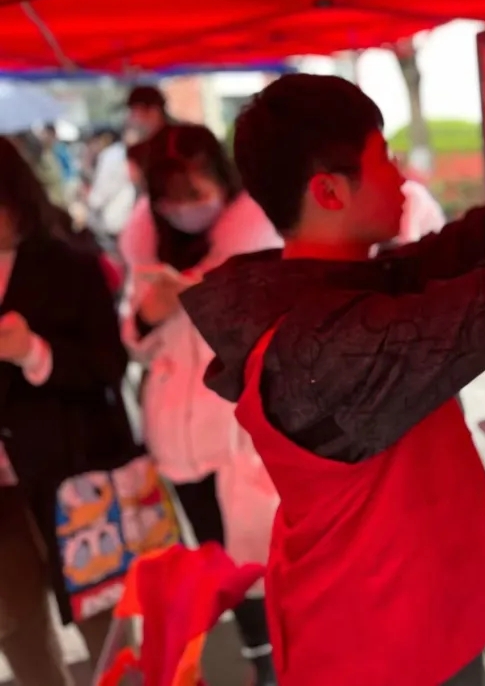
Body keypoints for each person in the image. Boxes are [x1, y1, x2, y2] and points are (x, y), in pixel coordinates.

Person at [179, 74, 485, 685]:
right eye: (385, 159)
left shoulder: (317, 291)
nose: (403, 177)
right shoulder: (328, 348)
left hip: (391, 623)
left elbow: (435, 259)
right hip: (385, 653)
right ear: (329, 191)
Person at [117, 124, 282, 685]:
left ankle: (278, 663)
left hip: (239, 438)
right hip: (179, 444)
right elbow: (136, 340)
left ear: (222, 179)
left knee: (262, 561)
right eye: (172, 196)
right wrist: (148, 316)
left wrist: (202, 296)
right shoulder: (149, 250)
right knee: (219, 562)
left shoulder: (259, 243)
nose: (186, 207)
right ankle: (261, 659)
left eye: (195, 190)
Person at [0, 136, 141, 684]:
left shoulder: (70, 266)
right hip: (3, 503)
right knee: (17, 632)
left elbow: (109, 366)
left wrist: (35, 354)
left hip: (73, 480)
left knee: (105, 625)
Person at [83, 127, 137, 252]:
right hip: (127, 218)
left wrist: (87, 198)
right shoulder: (123, 152)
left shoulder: (110, 156)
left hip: (113, 221)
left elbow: (98, 197)